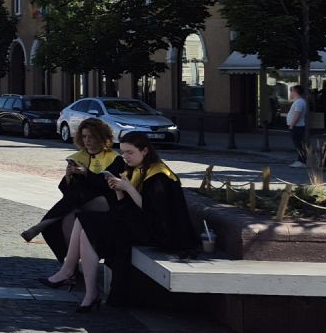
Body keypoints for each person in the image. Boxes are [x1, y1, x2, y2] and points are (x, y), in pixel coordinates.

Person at [44, 131, 199, 311]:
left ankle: (76, 280)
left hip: (161, 232)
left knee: (89, 225)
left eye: (130, 152)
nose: (125, 157)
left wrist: (128, 188)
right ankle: (85, 287)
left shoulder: (159, 175)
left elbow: (154, 212)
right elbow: (125, 207)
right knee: (84, 221)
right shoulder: (137, 170)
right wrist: (118, 190)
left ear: (145, 151)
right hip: (138, 223)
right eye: (123, 152)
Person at [21, 118, 120, 260]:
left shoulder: (114, 158)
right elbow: (68, 193)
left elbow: (110, 185)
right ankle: (69, 267)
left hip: (107, 202)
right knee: (63, 220)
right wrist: (68, 177)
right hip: (80, 202)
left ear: (101, 137)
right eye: (84, 136)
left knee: (78, 197)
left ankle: (39, 226)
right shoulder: (79, 157)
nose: (87, 141)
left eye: (91, 136)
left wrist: (86, 173)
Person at [287, 84, 310, 168]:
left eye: (291, 91)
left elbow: (297, 114)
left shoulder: (299, 102)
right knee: (298, 144)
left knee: (298, 144)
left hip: (297, 127)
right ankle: (300, 160)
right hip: (297, 126)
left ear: (295, 92)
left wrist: (292, 125)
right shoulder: (298, 101)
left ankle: (302, 161)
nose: (290, 93)